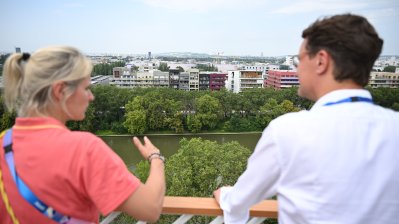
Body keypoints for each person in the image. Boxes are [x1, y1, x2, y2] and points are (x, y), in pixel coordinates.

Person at [213, 13, 399, 224]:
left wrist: (226, 195)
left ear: (321, 61)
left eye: (299, 60)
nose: (297, 69)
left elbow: (239, 201)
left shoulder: (289, 131)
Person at [0, 46, 165, 223]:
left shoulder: (3, 142)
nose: (91, 96)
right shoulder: (84, 149)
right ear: (60, 91)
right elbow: (150, 208)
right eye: (86, 88)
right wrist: (155, 158)